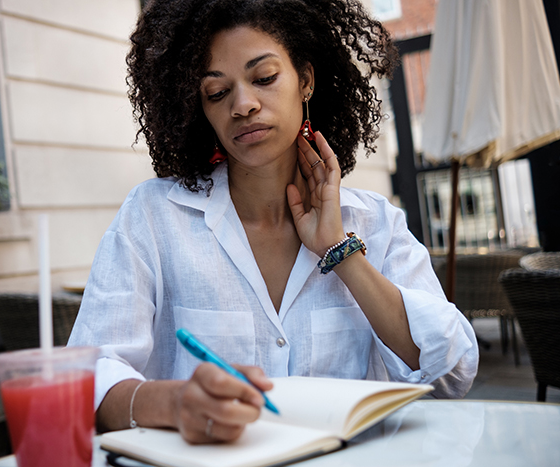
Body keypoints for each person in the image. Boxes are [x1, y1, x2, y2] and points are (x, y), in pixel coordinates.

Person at [69, 0, 478, 444]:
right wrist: (175, 402)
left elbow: (453, 373)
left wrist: (342, 254)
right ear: (200, 108)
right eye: (217, 92)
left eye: (264, 78)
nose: (243, 104)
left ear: (305, 80)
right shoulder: (154, 217)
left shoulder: (374, 222)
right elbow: (88, 376)